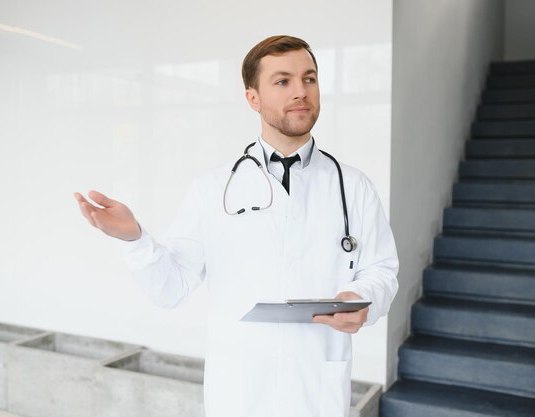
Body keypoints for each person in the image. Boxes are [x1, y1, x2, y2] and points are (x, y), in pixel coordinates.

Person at [74, 35, 398, 417]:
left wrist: (361, 298)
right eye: (283, 81)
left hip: (317, 389)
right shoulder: (213, 189)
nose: (301, 91)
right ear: (253, 99)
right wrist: (134, 240)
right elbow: (171, 289)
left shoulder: (353, 186)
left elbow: (382, 270)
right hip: (241, 391)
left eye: (309, 79)